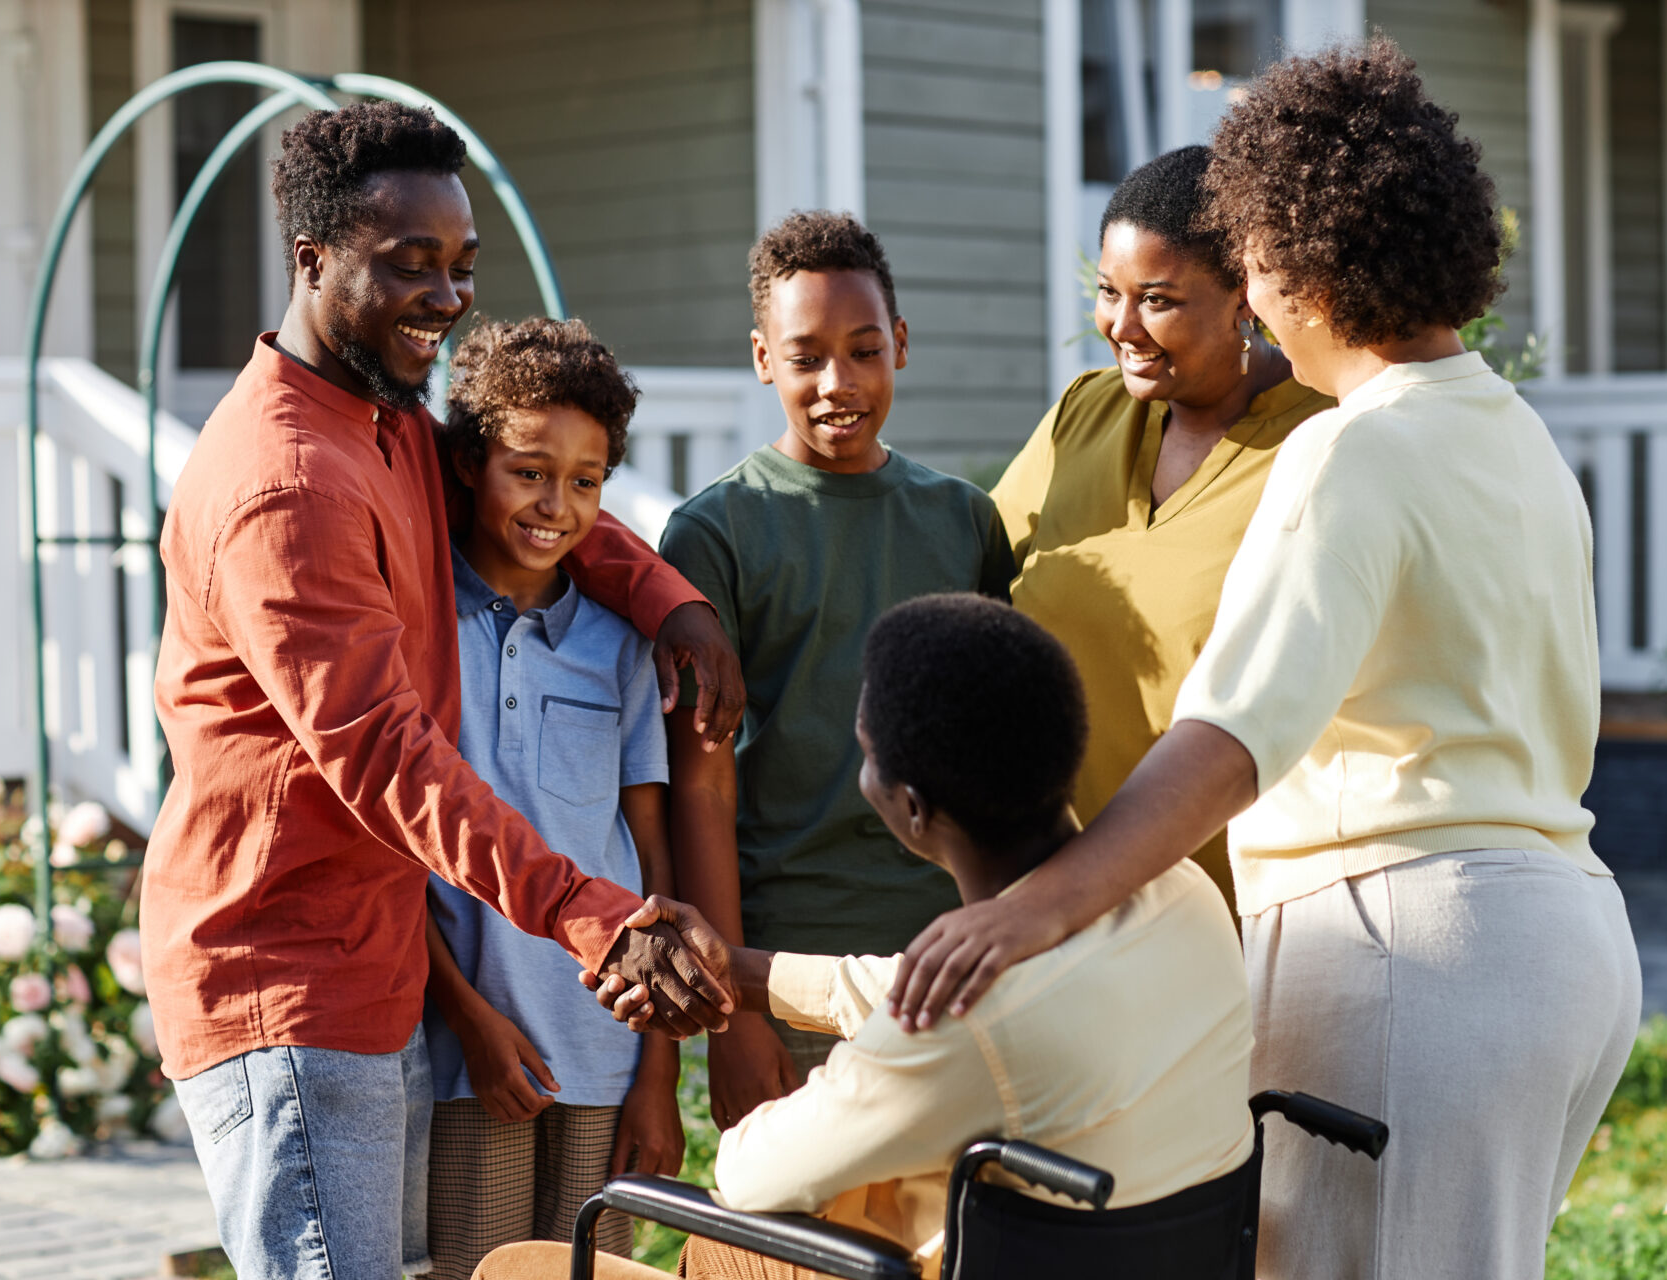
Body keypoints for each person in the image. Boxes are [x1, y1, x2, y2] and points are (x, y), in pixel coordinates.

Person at [889, 40, 1643, 1280]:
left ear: (1294, 264)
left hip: (1410, 952)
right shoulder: (1515, 436)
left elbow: (1233, 733)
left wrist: (1039, 903)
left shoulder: (1350, 451)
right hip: (1561, 943)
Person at [144, 102, 739, 1280]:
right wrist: (594, 912)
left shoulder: (386, 421)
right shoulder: (288, 480)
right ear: (312, 261)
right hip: (288, 982)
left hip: (374, 968)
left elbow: (525, 500)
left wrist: (666, 596)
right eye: (410, 265)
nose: (447, 297)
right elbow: (384, 757)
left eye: (462, 266)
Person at [482, 594, 1255, 1280]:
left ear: (912, 811)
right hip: (1164, 1249)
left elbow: (752, 1176)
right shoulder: (1176, 893)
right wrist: (745, 974)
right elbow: (942, 993)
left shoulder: (962, 1026)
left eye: (865, 749)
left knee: (527, 1269)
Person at [660, 212, 1015, 1128]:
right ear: (762, 358)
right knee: (805, 1261)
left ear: (900, 342)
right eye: (806, 356)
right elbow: (700, 783)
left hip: (946, 961)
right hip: (787, 976)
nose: (838, 384)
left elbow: (995, 766)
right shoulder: (715, 532)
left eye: (863, 351)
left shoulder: (964, 523)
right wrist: (735, 1014)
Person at [991, 144, 1331, 911]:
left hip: (1231, 919)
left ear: (1245, 296)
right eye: (1108, 291)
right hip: (1043, 908)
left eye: (1158, 299)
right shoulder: (1085, 413)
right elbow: (971, 580)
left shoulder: (1322, 444)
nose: (1122, 325)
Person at [420, 318, 687, 1279]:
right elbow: (399, 858)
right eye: (530, 471)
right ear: (467, 463)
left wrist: (659, 1070)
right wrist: (467, 1021)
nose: (557, 504)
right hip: (474, 1057)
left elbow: (654, 870)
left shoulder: (618, 645)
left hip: (605, 1056)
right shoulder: (418, 627)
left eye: (587, 481)